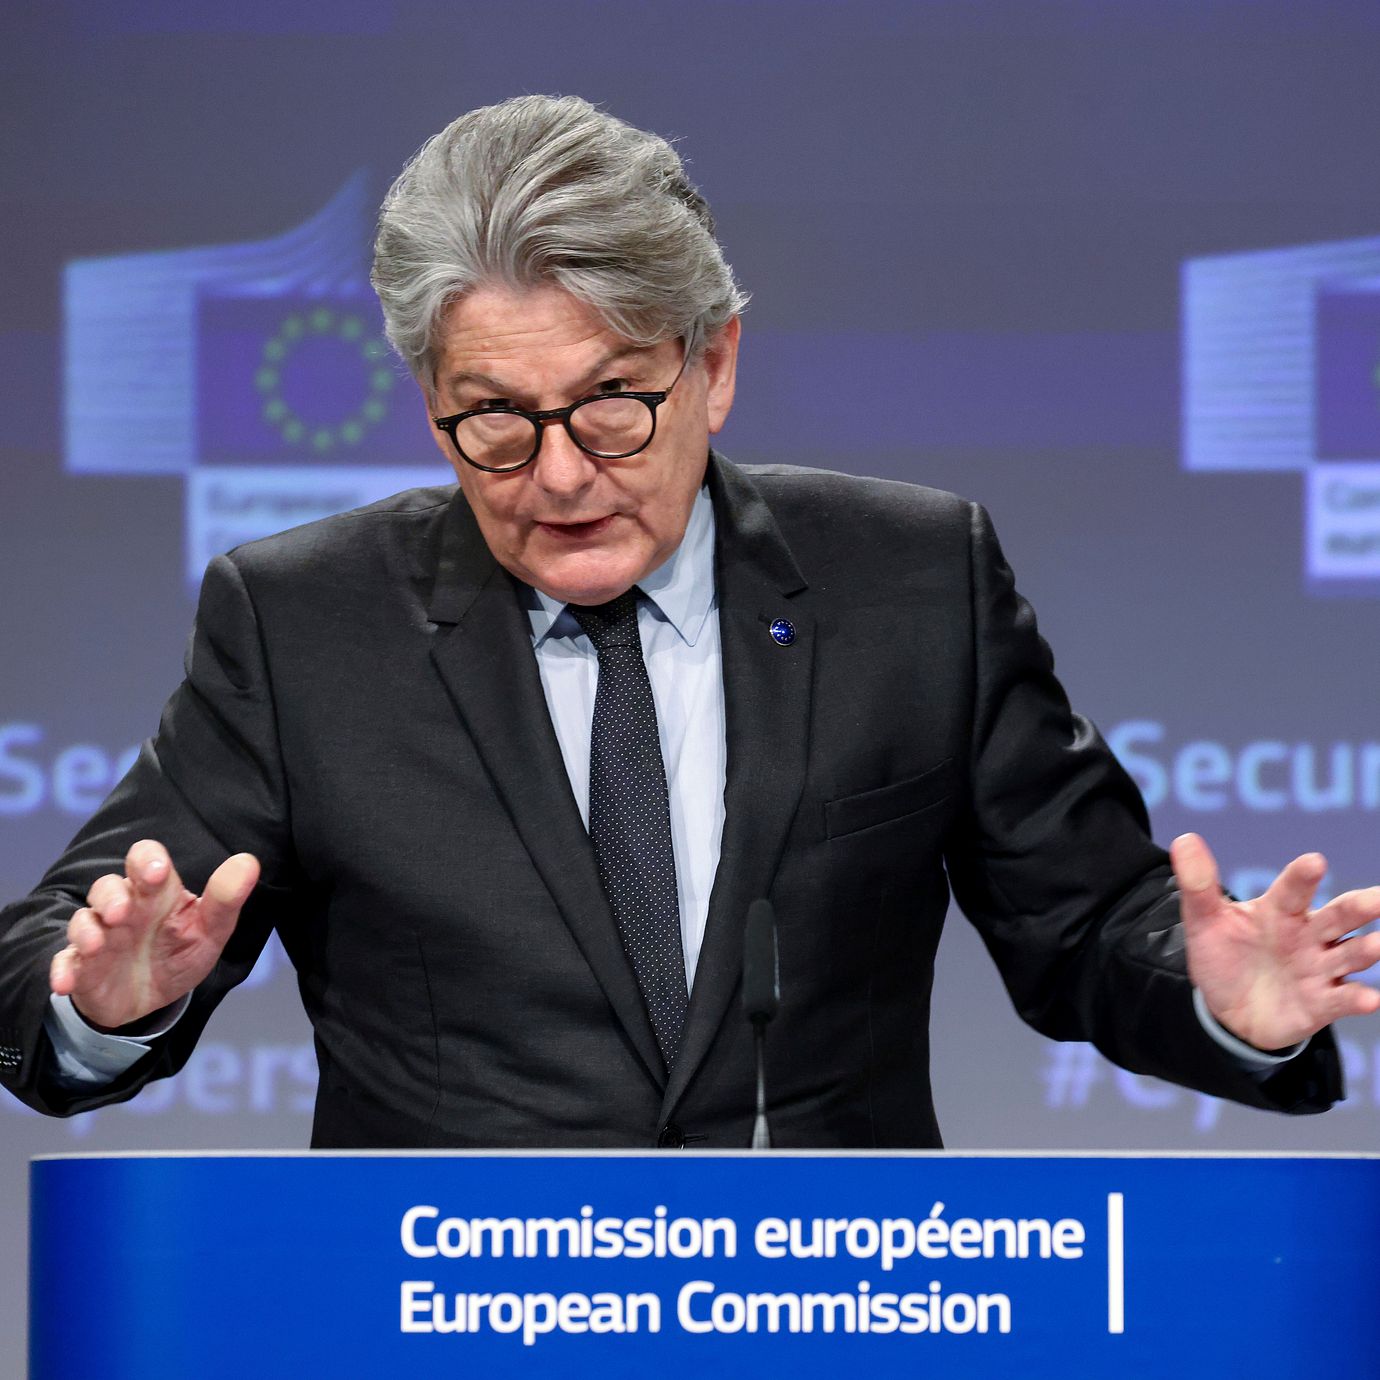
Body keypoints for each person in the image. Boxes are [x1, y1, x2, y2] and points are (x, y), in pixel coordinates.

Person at [0, 95, 1374, 1147]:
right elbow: (63, 938)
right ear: (430, 404)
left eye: (611, 403)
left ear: (713, 366)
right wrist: (101, 1000)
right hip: (447, 1320)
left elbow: (1084, 926)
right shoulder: (305, 624)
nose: (557, 473)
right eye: (493, 419)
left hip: (827, 1306)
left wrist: (1220, 1004)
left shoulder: (912, 582)